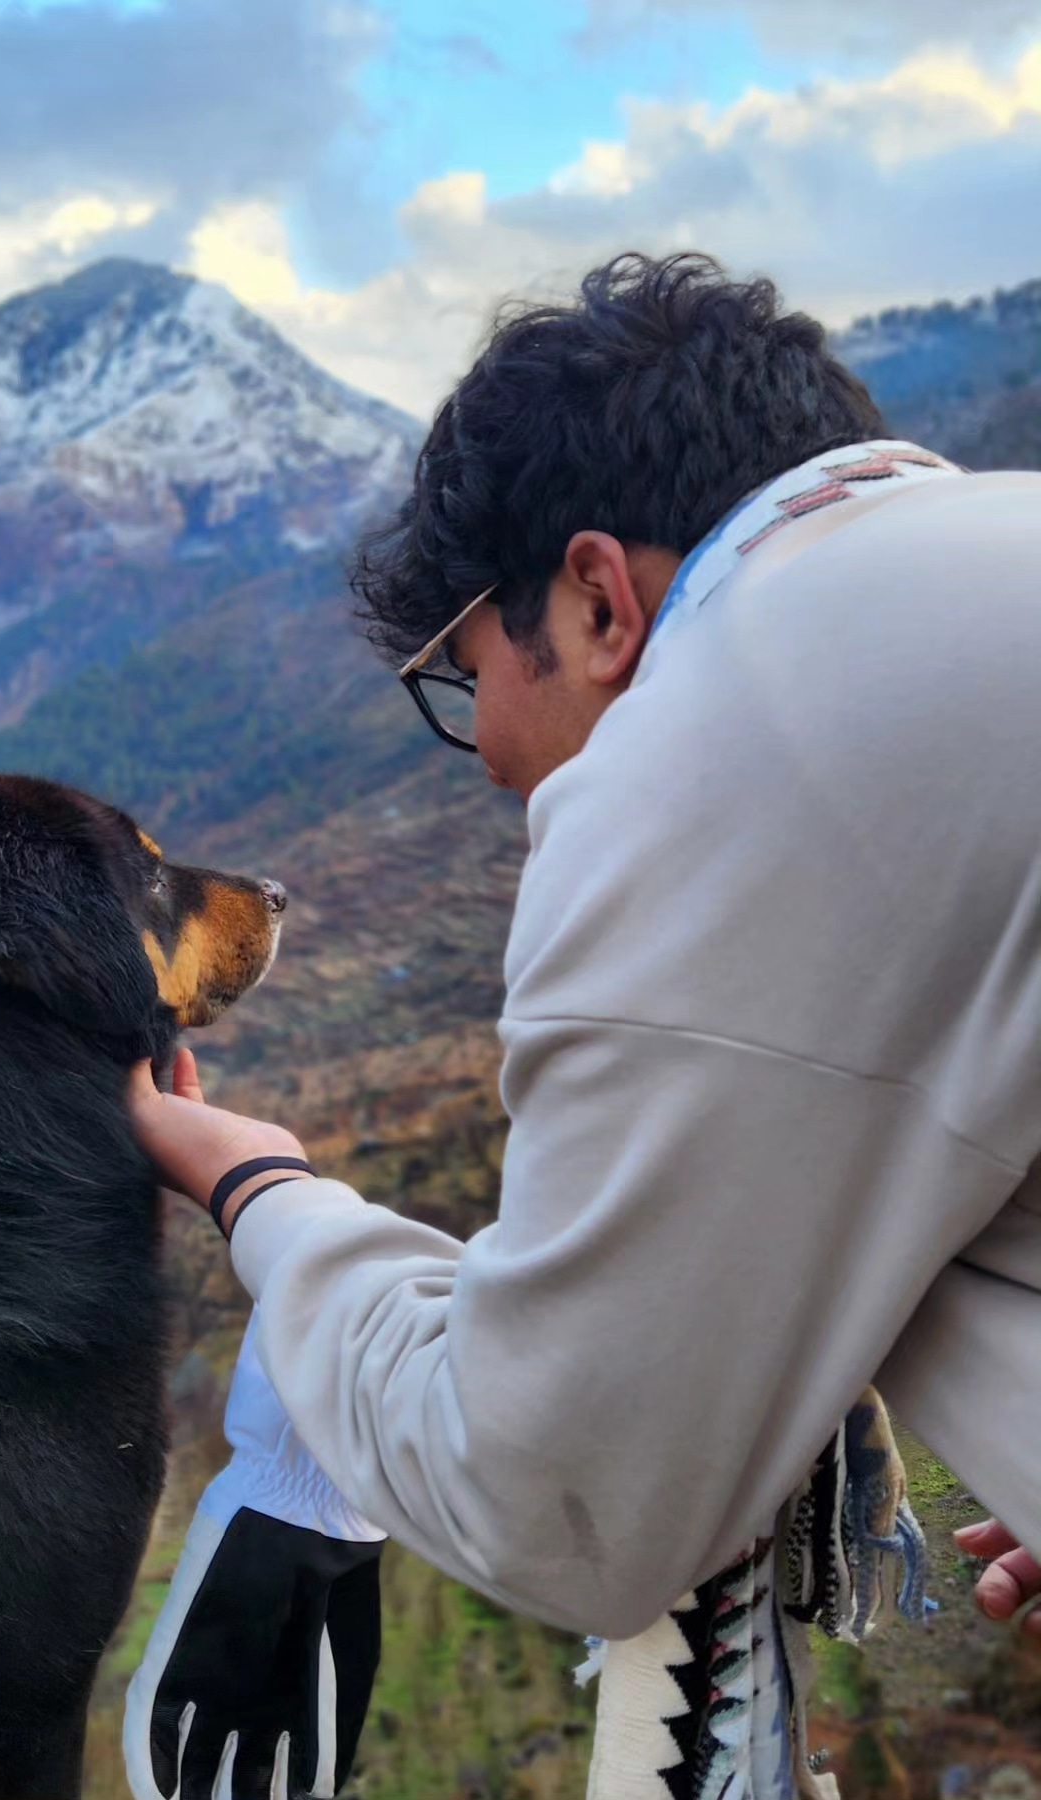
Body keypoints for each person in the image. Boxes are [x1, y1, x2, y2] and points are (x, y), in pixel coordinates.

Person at [125, 253, 1041, 1798]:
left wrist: (263, 1195)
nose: (487, 753)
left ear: (601, 597)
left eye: (464, 674)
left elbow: (554, 1501)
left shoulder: (726, 743)